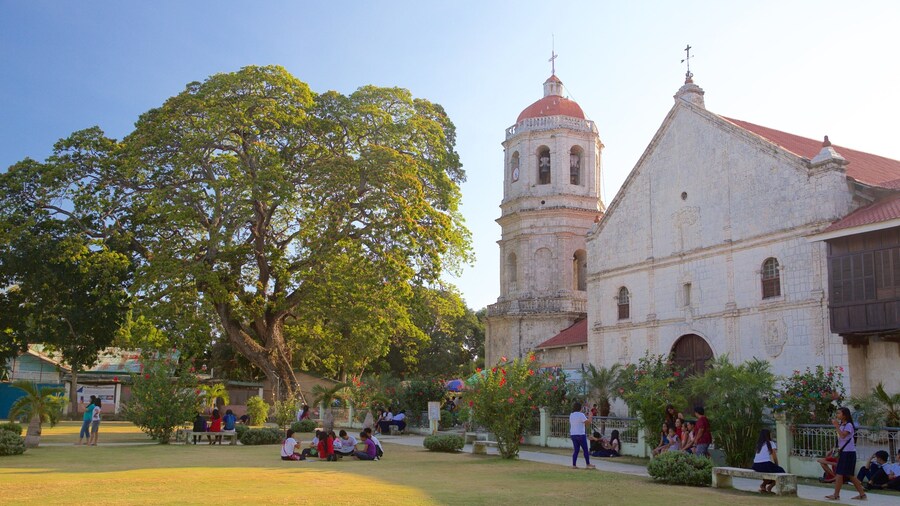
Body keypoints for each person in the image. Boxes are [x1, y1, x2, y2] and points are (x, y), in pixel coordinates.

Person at [825, 407, 867, 501]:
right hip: (845, 452)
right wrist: (832, 450)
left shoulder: (848, 425)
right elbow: (840, 440)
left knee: (840, 473)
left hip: (848, 453)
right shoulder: (842, 424)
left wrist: (836, 426)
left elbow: (843, 435)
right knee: (850, 475)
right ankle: (862, 494)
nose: (837, 415)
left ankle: (836, 495)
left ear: (844, 415)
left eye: (839, 413)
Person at [752, 429, 785, 494]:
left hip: (755, 465)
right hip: (765, 464)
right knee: (781, 472)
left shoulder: (759, 444)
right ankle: (768, 486)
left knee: (769, 471)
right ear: (768, 435)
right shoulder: (770, 443)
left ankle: (763, 485)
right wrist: (776, 465)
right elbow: (774, 457)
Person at [569, 401, 595, 470]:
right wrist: (590, 417)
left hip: (573, 434)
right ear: (580, 408)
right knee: (585, 450)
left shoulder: (571, 415)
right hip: (580, 434)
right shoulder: (581, 415)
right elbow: (588, 423)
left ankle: (574, 465)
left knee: (576, 450)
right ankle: (588, 464)